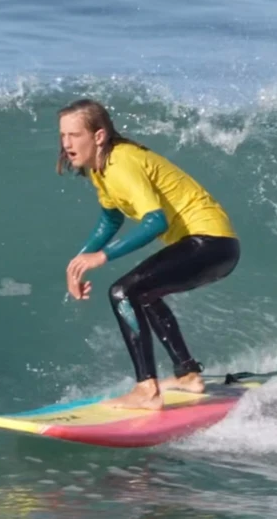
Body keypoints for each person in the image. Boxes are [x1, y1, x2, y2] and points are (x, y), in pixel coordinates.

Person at [58, 98, 240, 410]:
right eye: (63, 136)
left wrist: (103, 257)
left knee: (122, 292)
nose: (66, 143)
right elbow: (111, 218)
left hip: (209, 242)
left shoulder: (120, 163)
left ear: (98, 136)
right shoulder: (101, 170)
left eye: (74, 135)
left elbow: (156, 221)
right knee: (143, 293)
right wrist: (78, 262)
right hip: (215, 246)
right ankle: (188, 374)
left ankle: (146, 390)